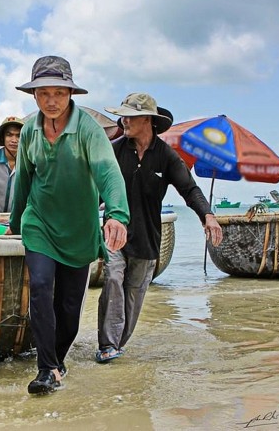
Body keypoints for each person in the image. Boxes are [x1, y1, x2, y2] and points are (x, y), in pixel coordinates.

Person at [9, 56, 130, 395]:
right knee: (41, 287)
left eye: (58, 93)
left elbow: (108, 171)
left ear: (70, 93)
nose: (51, 101)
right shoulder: (30, 128)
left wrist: (117, 215)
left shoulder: (88, 129)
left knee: (69, 307)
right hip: (40, 223)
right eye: (43, 93)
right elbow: (23, 181)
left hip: (79, 229)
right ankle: (46, 368)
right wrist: (17, 222)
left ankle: (57, 360)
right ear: (33, 95)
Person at [96, 93, 224, 363]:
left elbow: (189, 189)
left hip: (147, 235)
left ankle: (118, 344)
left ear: (148, 120)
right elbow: (96, 191)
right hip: (114, 234)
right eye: (123, 115)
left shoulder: (166, 156)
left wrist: (207, 215)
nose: (124, 120)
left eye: (129, 116)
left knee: (134, 293)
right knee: (113, 279)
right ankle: (107, 344)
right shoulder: (114, 150)